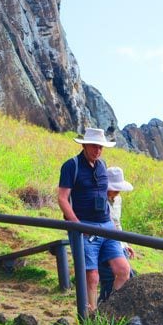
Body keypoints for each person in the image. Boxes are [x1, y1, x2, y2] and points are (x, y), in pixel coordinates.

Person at [57, 128, 131, 312]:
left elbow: (105, 199)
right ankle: (90, 317)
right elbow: (62, 198)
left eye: (101, 147)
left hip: (106, 224)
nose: (97, 150)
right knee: (92, 275)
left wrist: (115, 229)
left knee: (123, 270)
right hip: (85, 224)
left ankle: (110, 310)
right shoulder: (71, 166)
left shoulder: (102, 165)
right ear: (84, 145)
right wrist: (76, 223)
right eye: (94, 146)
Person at [98, 166, 136, 303]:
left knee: (128, 277)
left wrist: (125, 243)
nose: (117, 191)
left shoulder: (118, 200)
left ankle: (112, 308)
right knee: (109, 279)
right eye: (115, 188)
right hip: (103, 242)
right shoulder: (99, 199)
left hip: (117, 242)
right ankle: (104, 310)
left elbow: (117, 222)